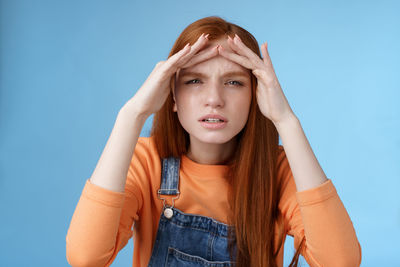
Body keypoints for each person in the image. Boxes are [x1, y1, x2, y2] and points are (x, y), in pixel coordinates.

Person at [66, 16, 361, 267]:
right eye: (194, 81)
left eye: (234, 82)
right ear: (172, 96)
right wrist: (131, 114)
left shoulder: (278, 172)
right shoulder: (146, 162)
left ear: (256, 96)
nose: (214, 100)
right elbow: (86, 257)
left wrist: (286, 120)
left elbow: (341, 262)